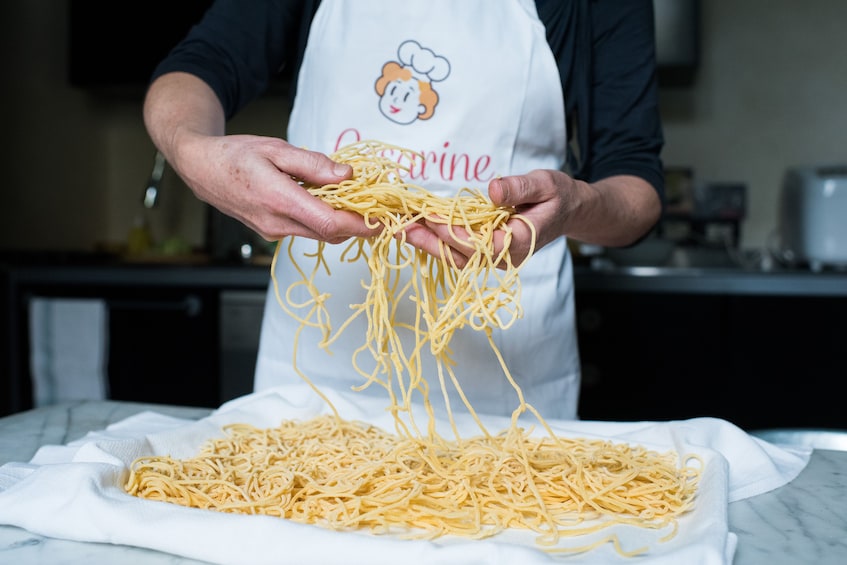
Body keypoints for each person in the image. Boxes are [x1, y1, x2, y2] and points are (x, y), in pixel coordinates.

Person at [143, 0, 664, 421]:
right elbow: (199, 67)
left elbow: (635, 184)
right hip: (316, 372)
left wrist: (576, 206)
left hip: (505, 387)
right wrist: (193, 151)